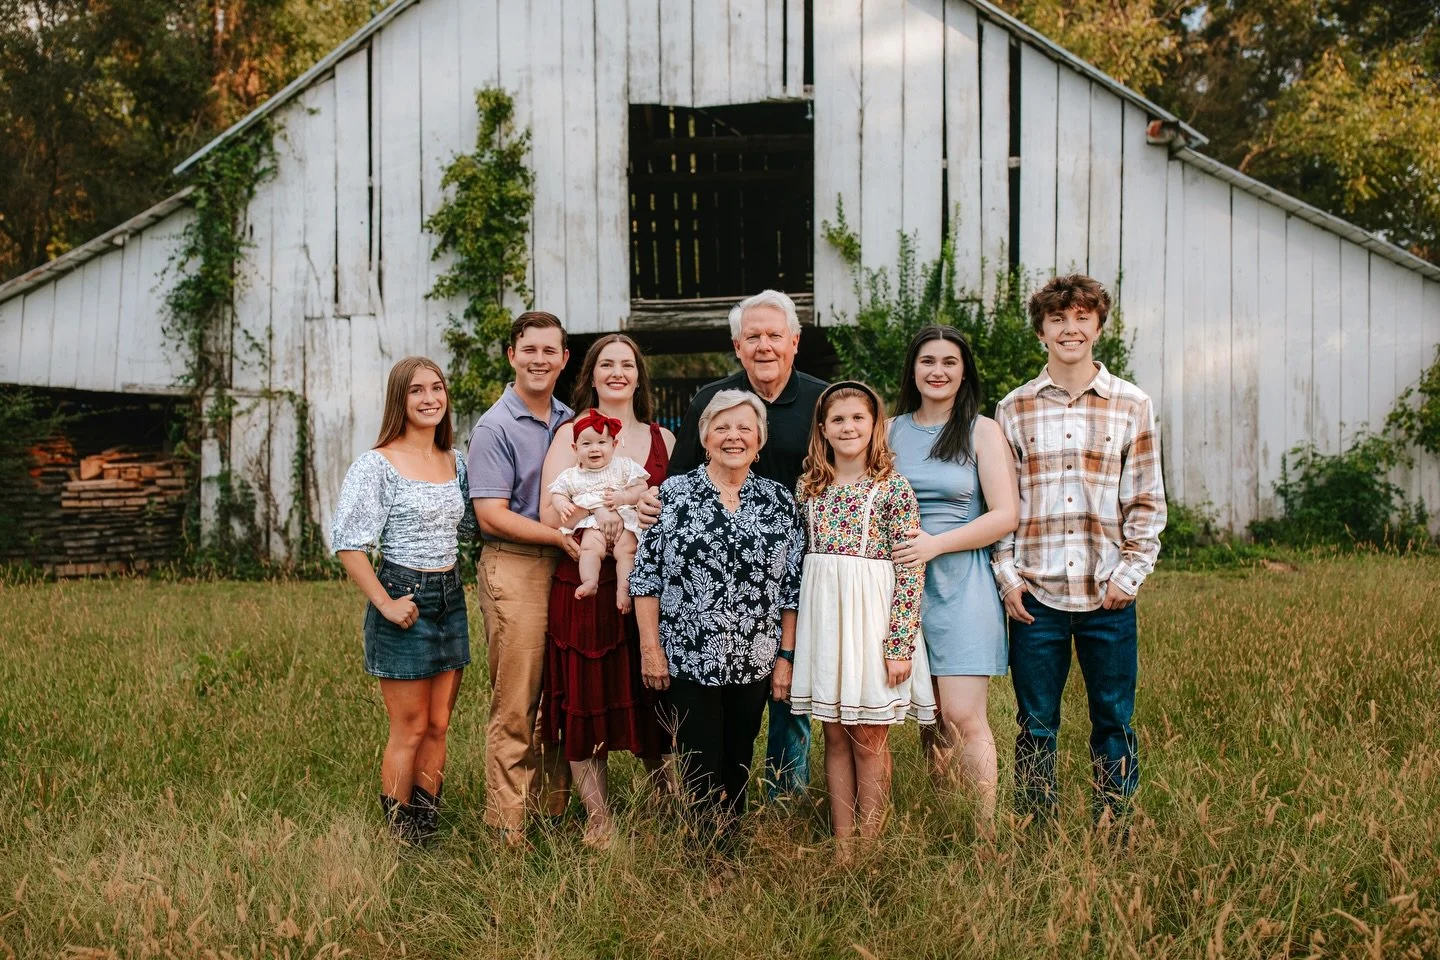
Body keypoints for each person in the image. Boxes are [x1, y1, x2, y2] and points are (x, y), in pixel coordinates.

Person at [993, 274, 1167, 832]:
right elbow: (1001, 501)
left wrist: (1130, 573)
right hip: (1035, 596)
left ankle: (1114, 825)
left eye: (1082, 318)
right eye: (1058, 320)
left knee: (1113, 720)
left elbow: (1145, 497)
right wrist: (1006, 576)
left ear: (1098, 326)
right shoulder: (1013, 408)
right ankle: (1036, 832)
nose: (1071, 329)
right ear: (1041, 331)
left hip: (1106, 596)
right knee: (1036, 724)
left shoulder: (1131, 404)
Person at [669, 289, 828, 796]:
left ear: (795, 342)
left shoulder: (822, 403)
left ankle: (784, 797)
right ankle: (714, 807)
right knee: (729, 713)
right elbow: (676, 488)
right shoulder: (712, 402)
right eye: (752, 336)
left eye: (774, 335)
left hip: (807, 567)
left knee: (791, 692)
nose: (764, 345)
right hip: (722, 590)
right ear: (737, 347)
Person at [631, 390, 806, 838]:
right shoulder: (671, 495)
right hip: (688, 655)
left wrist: (785, 657)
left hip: (756, 656)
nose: (734, 437)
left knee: (740, 754)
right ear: (705, 438)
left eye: (745, 428)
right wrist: (651, 651)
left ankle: (730, 845)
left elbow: (792, 588)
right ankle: (703, 853)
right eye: (722, 428)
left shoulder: (779, 501)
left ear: (760, 440)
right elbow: (646, 579)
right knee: (697, 756)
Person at [783, 381, 936, 854]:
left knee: (868, 736)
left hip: (872, 624)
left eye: (858, 419)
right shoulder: (809, 488)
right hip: (826, 625)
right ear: (823, 429)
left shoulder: (892, 489)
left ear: (875, 427)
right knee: (833, 734)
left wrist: (899, 646)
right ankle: (843, 843)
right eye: (838, 419)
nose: (848, 427)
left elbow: (911, 570)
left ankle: (872, 844)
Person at [538, 334, 675, 848]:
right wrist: (589, 517)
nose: (617, 372)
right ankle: (600, 820)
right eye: (606, 364)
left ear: (639, 375)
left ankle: (667, 801)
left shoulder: (665, 440)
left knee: (651, 695)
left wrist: (648, 509)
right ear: (591, 375)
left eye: (627, 364)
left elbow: (679, 509)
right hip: (585, 586)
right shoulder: (569, 435)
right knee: (586, 698)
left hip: (651, 589)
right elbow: (549, 514)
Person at [332, 356, 475, 844]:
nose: (430, 398)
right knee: (410, 728)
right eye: (417, 390)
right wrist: (387, 603)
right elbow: (348, 543)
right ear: (400, 399)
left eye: (437, 388)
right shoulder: (377, 464)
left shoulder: (455, 461)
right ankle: (399, 834)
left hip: (450, 596)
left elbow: (476, 524)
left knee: (439, 725)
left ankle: (425, 825)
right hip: (403, 594)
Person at [890, 325, 1018, 826]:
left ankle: (983, 831)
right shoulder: (889, 430)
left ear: (964, 371)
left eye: (949, 362)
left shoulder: (981, 431)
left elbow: (1005, 514)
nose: (938, 371)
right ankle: (946, 816)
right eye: (927, 361)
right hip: (901, 584)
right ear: (913, 370)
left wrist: (935, 544)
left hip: (961, 582)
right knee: (928, 717)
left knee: (964, 716)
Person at [467, 311, 575, 846]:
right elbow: (490, 513)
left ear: (563, 359)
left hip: (567, 566)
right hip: (516, 565)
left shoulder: (571, 419)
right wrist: (555, 537)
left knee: (558, 695)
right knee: (517, 701)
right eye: (528, 350)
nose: (539, 360)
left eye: (549, 351)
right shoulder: (495, 426)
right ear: (512, 355)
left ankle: (551, 812)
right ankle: (508, 827)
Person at [548, 409, 650, 608]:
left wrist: (624, 496)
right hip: (592, 526)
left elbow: (642, 487)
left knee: (628, 552)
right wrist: (562, 504)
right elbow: (557, 493)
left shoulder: (623, 467)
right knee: (588, 549)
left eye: (601, 442)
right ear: (575, 448)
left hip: (624, 524)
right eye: (586, 444)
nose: (594, 449)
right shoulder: (572, 476)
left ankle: (624, 590)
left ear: (613, 445)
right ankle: (589, 581)